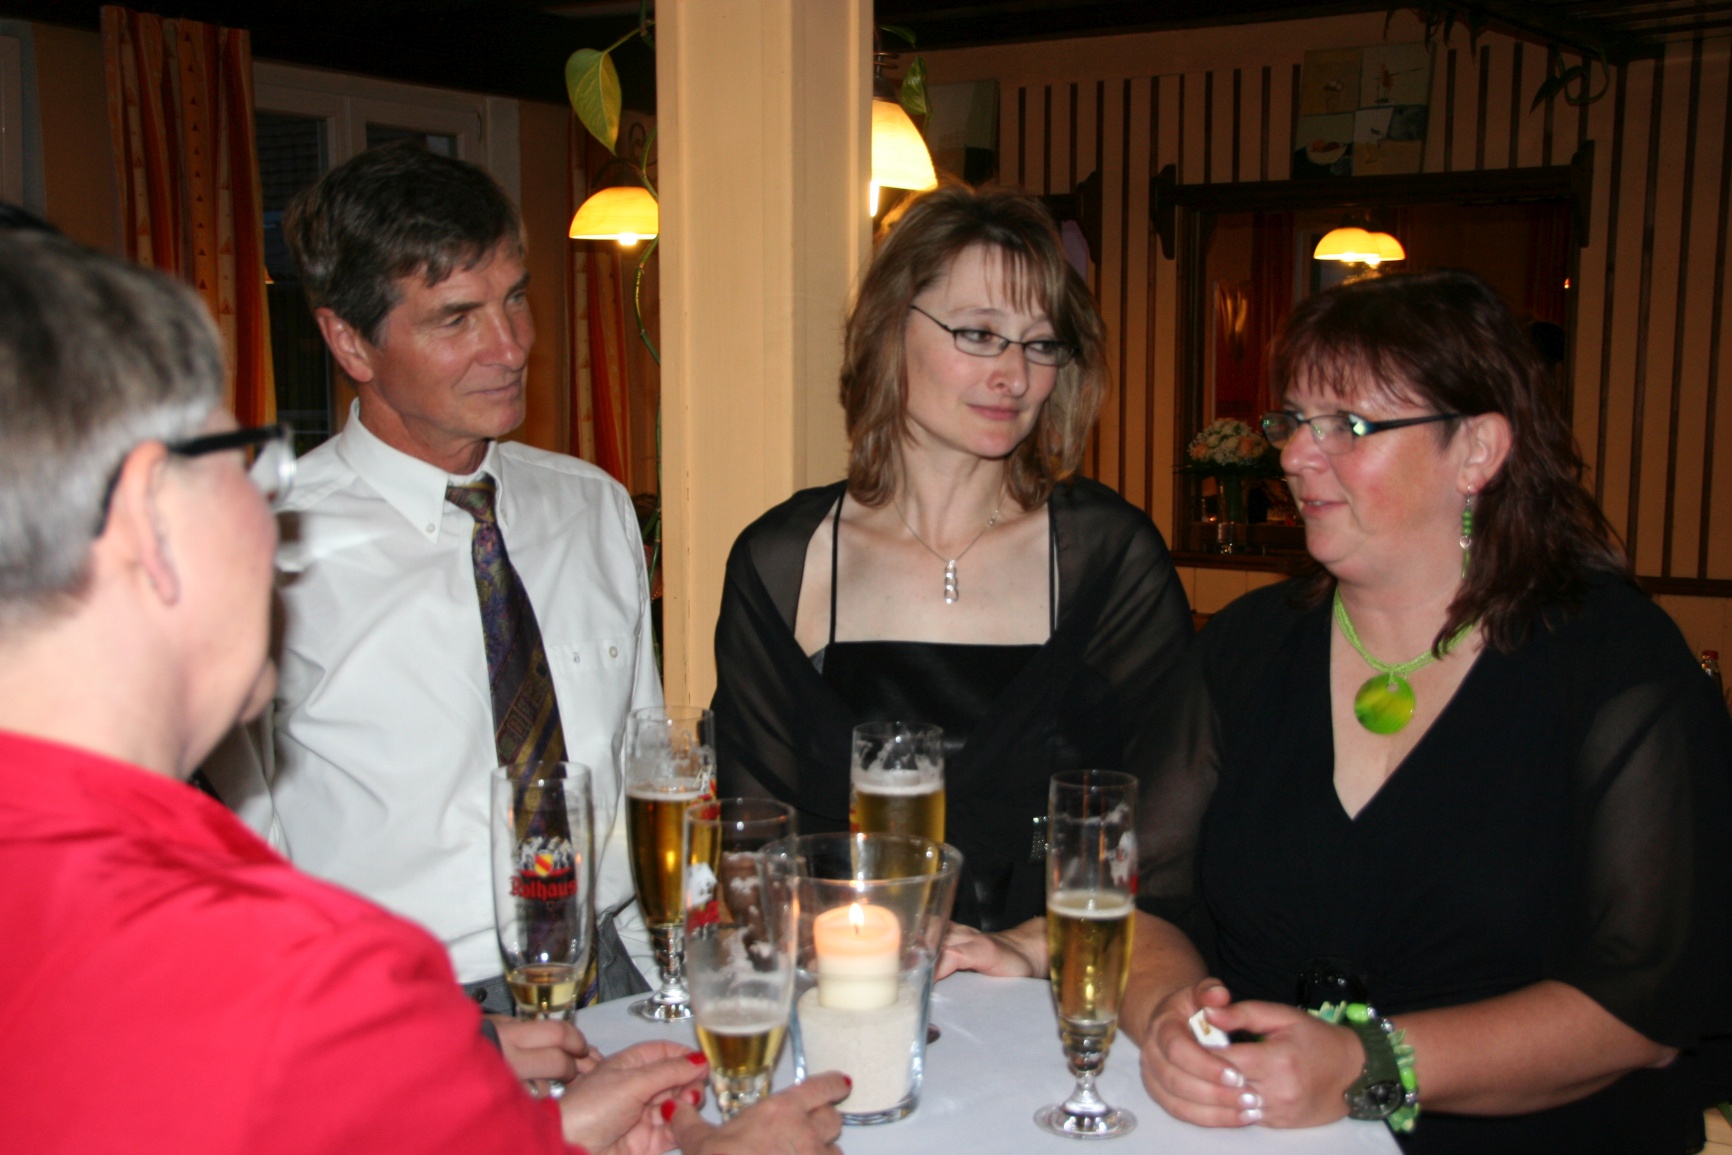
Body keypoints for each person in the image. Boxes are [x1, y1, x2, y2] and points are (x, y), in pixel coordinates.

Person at [0, 230, 848, 1154]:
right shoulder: (275, 967)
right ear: (143, 520)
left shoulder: (107, 896)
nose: (268, 515)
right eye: (242, 460)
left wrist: (530, 1110)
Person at [949, 269, 1732, 1154]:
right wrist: (1169, 1014)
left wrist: (1373, 1064)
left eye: (1348, 426)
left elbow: (1645, 1002)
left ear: (1477, 450)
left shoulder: (1617, 663)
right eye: (1293, 420)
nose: (1293, 455)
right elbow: (1142, 898)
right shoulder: (1248, 647)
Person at [205, 144, 657, 1021]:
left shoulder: (592, 506)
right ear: (350, 341)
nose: (511, 346)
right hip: (403, 1008)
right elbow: (246, 859)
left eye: (515, 298)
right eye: (457, 319)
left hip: (611, 978)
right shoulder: (260, 546)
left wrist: (664, 982)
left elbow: (637, 769)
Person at [712, 182, 1204, 932]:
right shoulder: (784, 562)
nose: (1015, 375)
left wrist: (1031, 947)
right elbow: (753, 849)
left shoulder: (1108, 560)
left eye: (1041, 343)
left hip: (1045, 987)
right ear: (890, 328)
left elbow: (1165, 835)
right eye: (978, 333)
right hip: (842, 980)